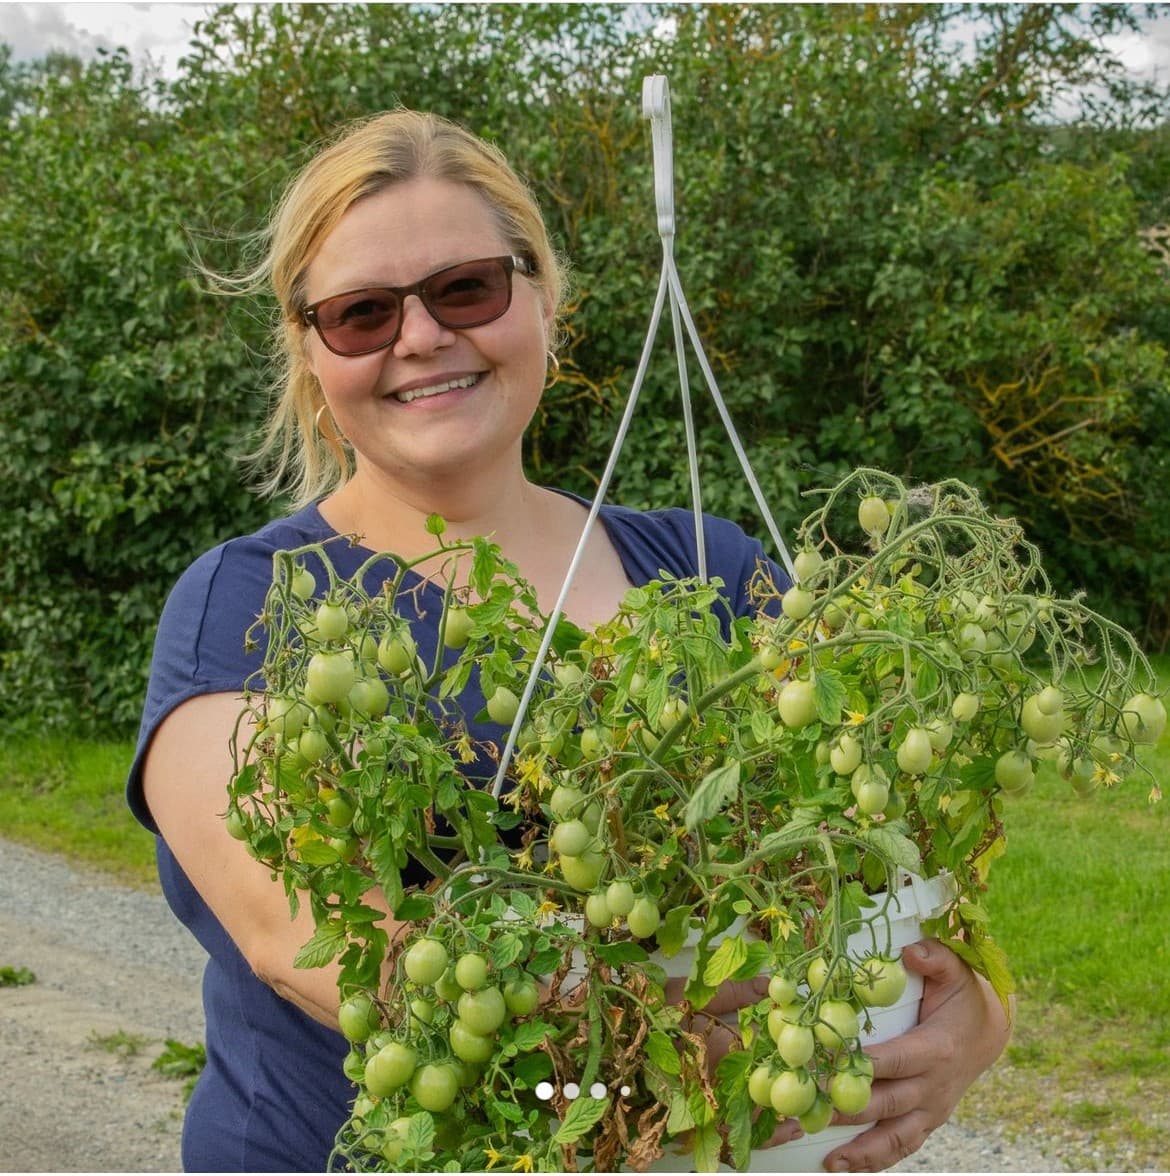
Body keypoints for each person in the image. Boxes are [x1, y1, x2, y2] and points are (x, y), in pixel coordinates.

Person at [127, 108, 1009, 1173]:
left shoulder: (709, 568)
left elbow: (887, 848)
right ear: (311, 354)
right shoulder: (256, 607)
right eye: (362, 314)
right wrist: (641, 1066)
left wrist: (975, 1014)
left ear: (545, 297)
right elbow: (304, 942)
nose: (421, 337)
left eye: (465, 289)